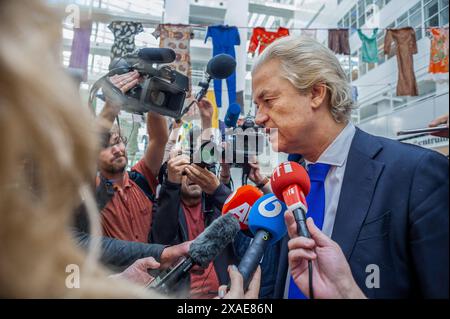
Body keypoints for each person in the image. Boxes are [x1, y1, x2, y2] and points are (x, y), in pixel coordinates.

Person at [0, 0, 258, 299]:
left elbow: (158, 140)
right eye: (107, 145)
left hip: (148, 277)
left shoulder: (139, 181)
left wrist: (154, 99)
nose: (118, 148)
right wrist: (109, 110)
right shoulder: (91, 190)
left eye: (119, 141)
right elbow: (75, 234)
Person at [251, 35, 449, 298]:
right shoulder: (287, 182)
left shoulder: (417, 173)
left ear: (316, 93)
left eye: (268, 100)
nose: (258, 118)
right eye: (256, 105)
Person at [151, 98, 238, 298]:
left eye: (198, 171)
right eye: (184, 172)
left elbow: (206, 159)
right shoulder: (168, 207)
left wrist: (207, 121)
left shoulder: (214, 206)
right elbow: (161, 238)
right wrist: (171, 184)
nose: (193, 176)